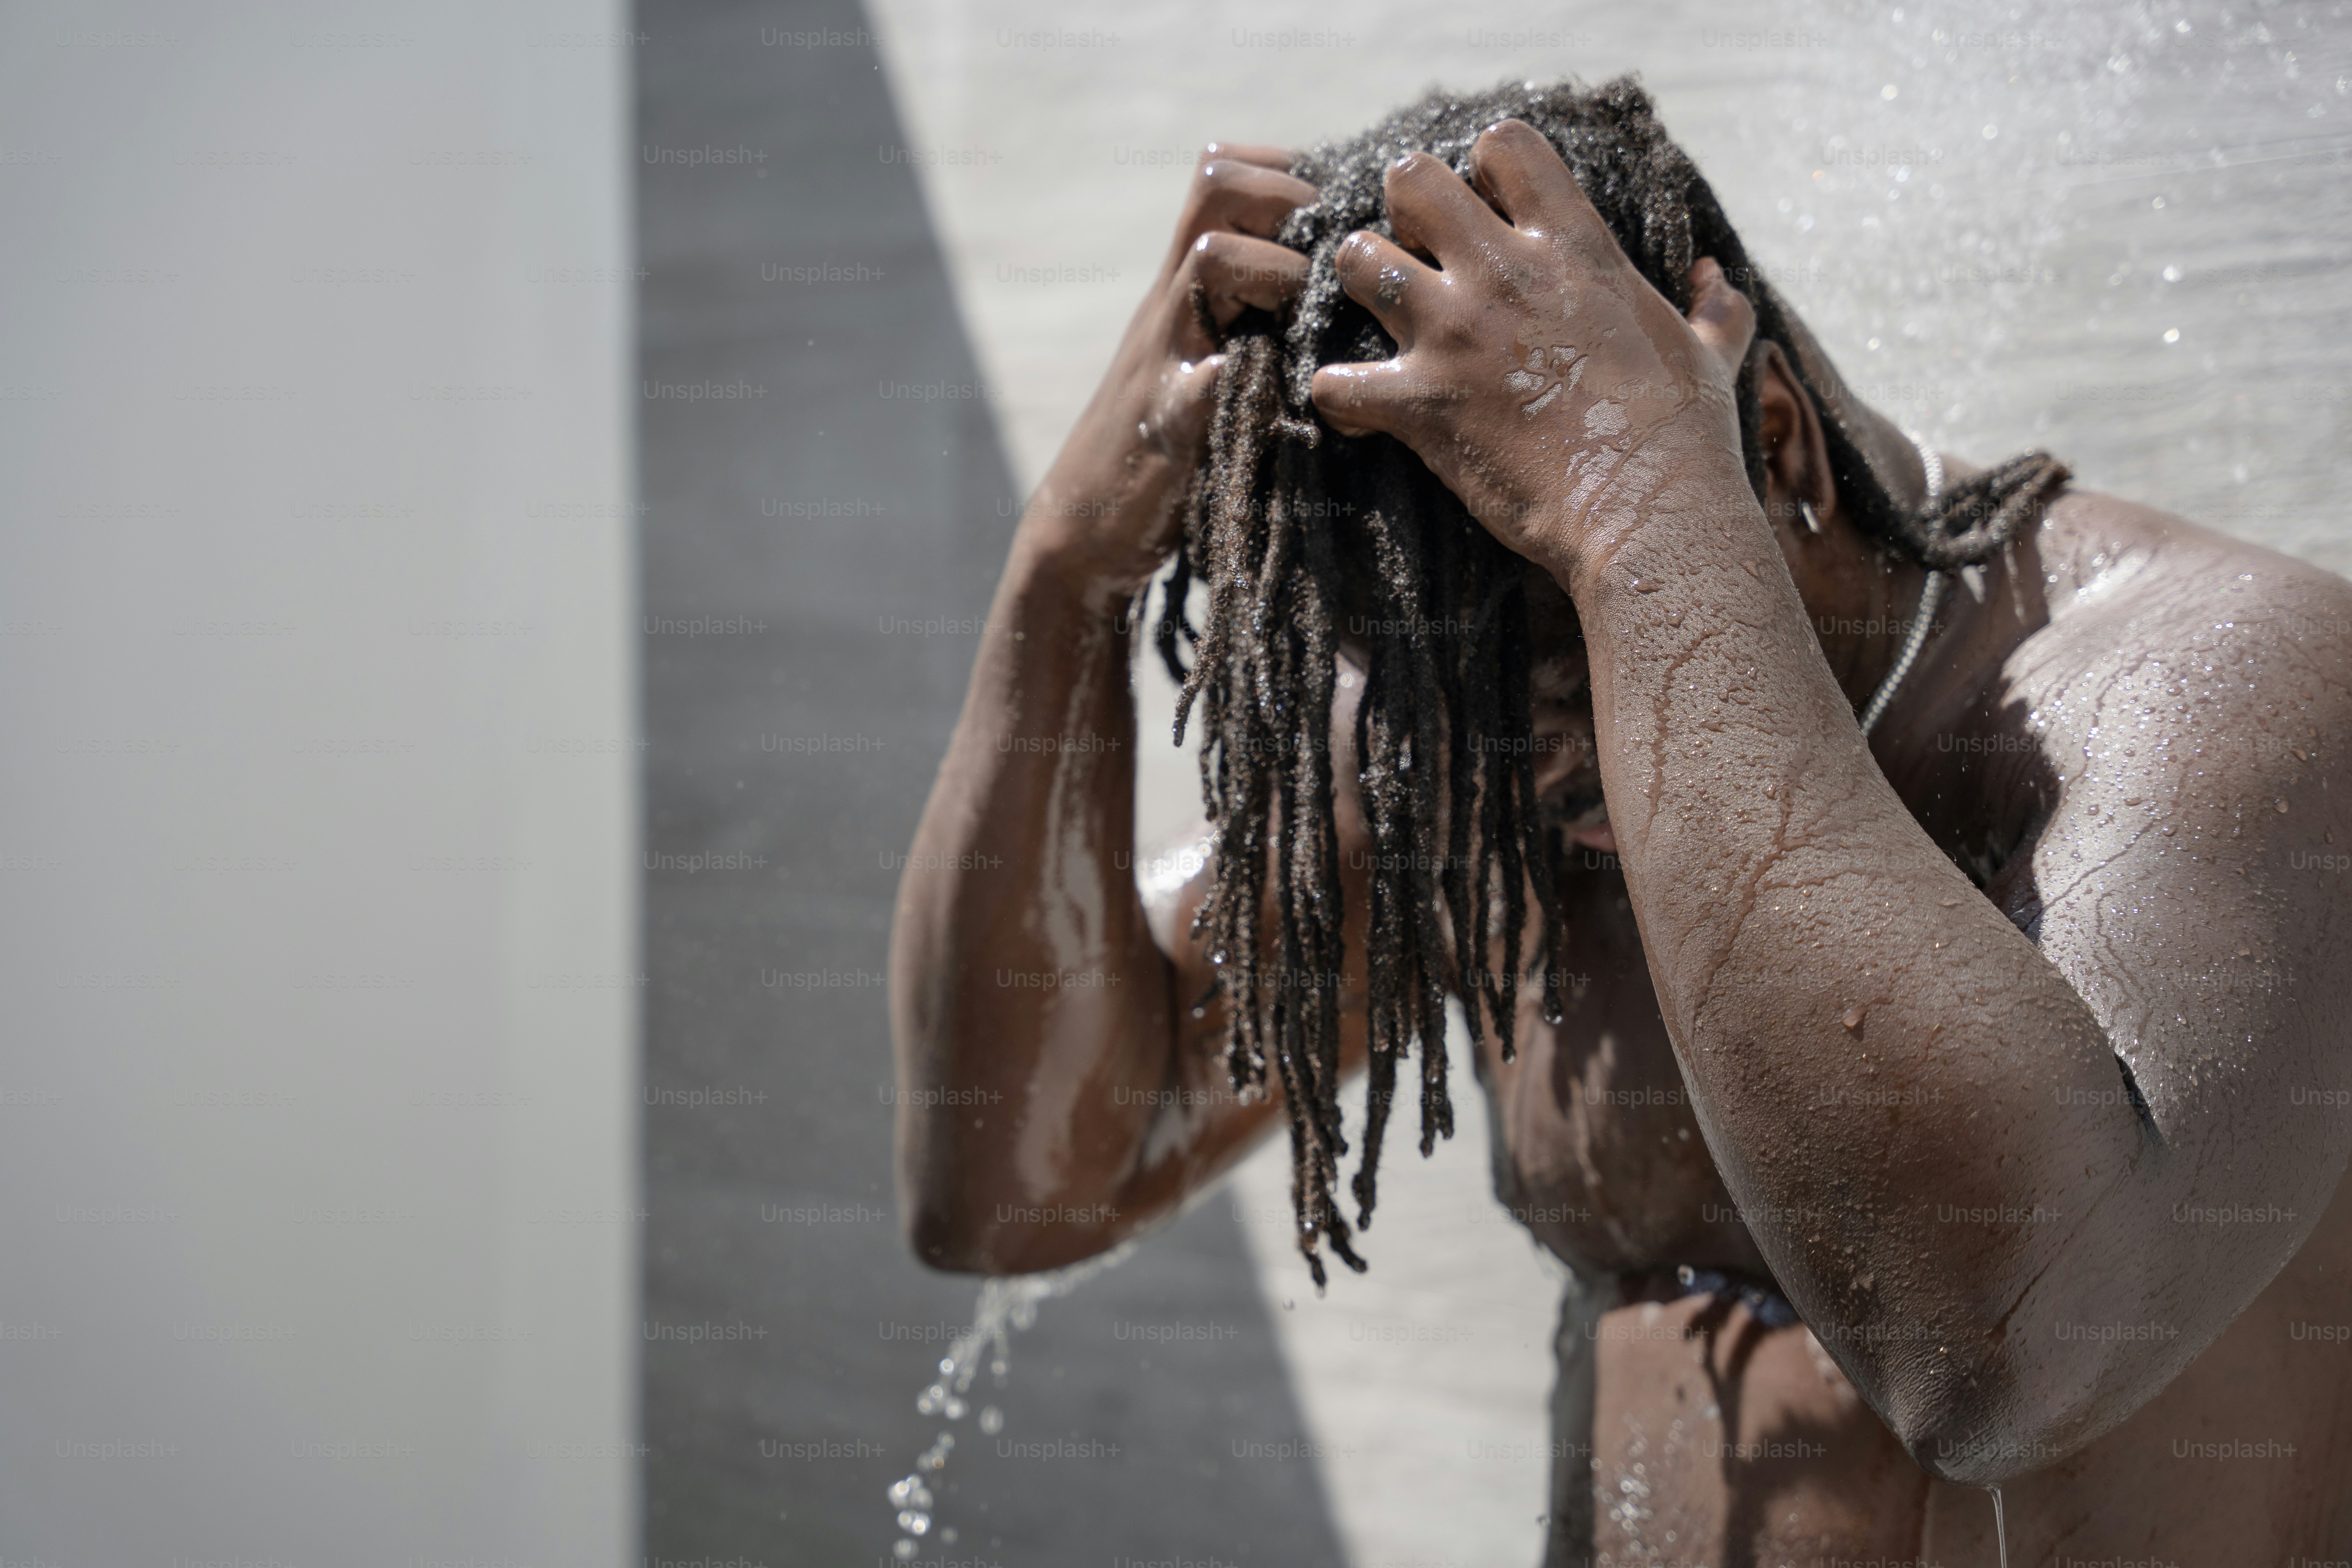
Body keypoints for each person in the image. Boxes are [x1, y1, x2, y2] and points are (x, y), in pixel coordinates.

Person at [888, 77, 2352, 1565]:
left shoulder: (2229, 693)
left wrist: (1639, 517)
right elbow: (1022, 1185)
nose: (1529, 779)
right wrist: (1062, 579)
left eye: (1567, 656)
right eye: (1441, 707)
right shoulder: (1476, 749)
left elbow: (2004, 1354)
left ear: (1770, 443)